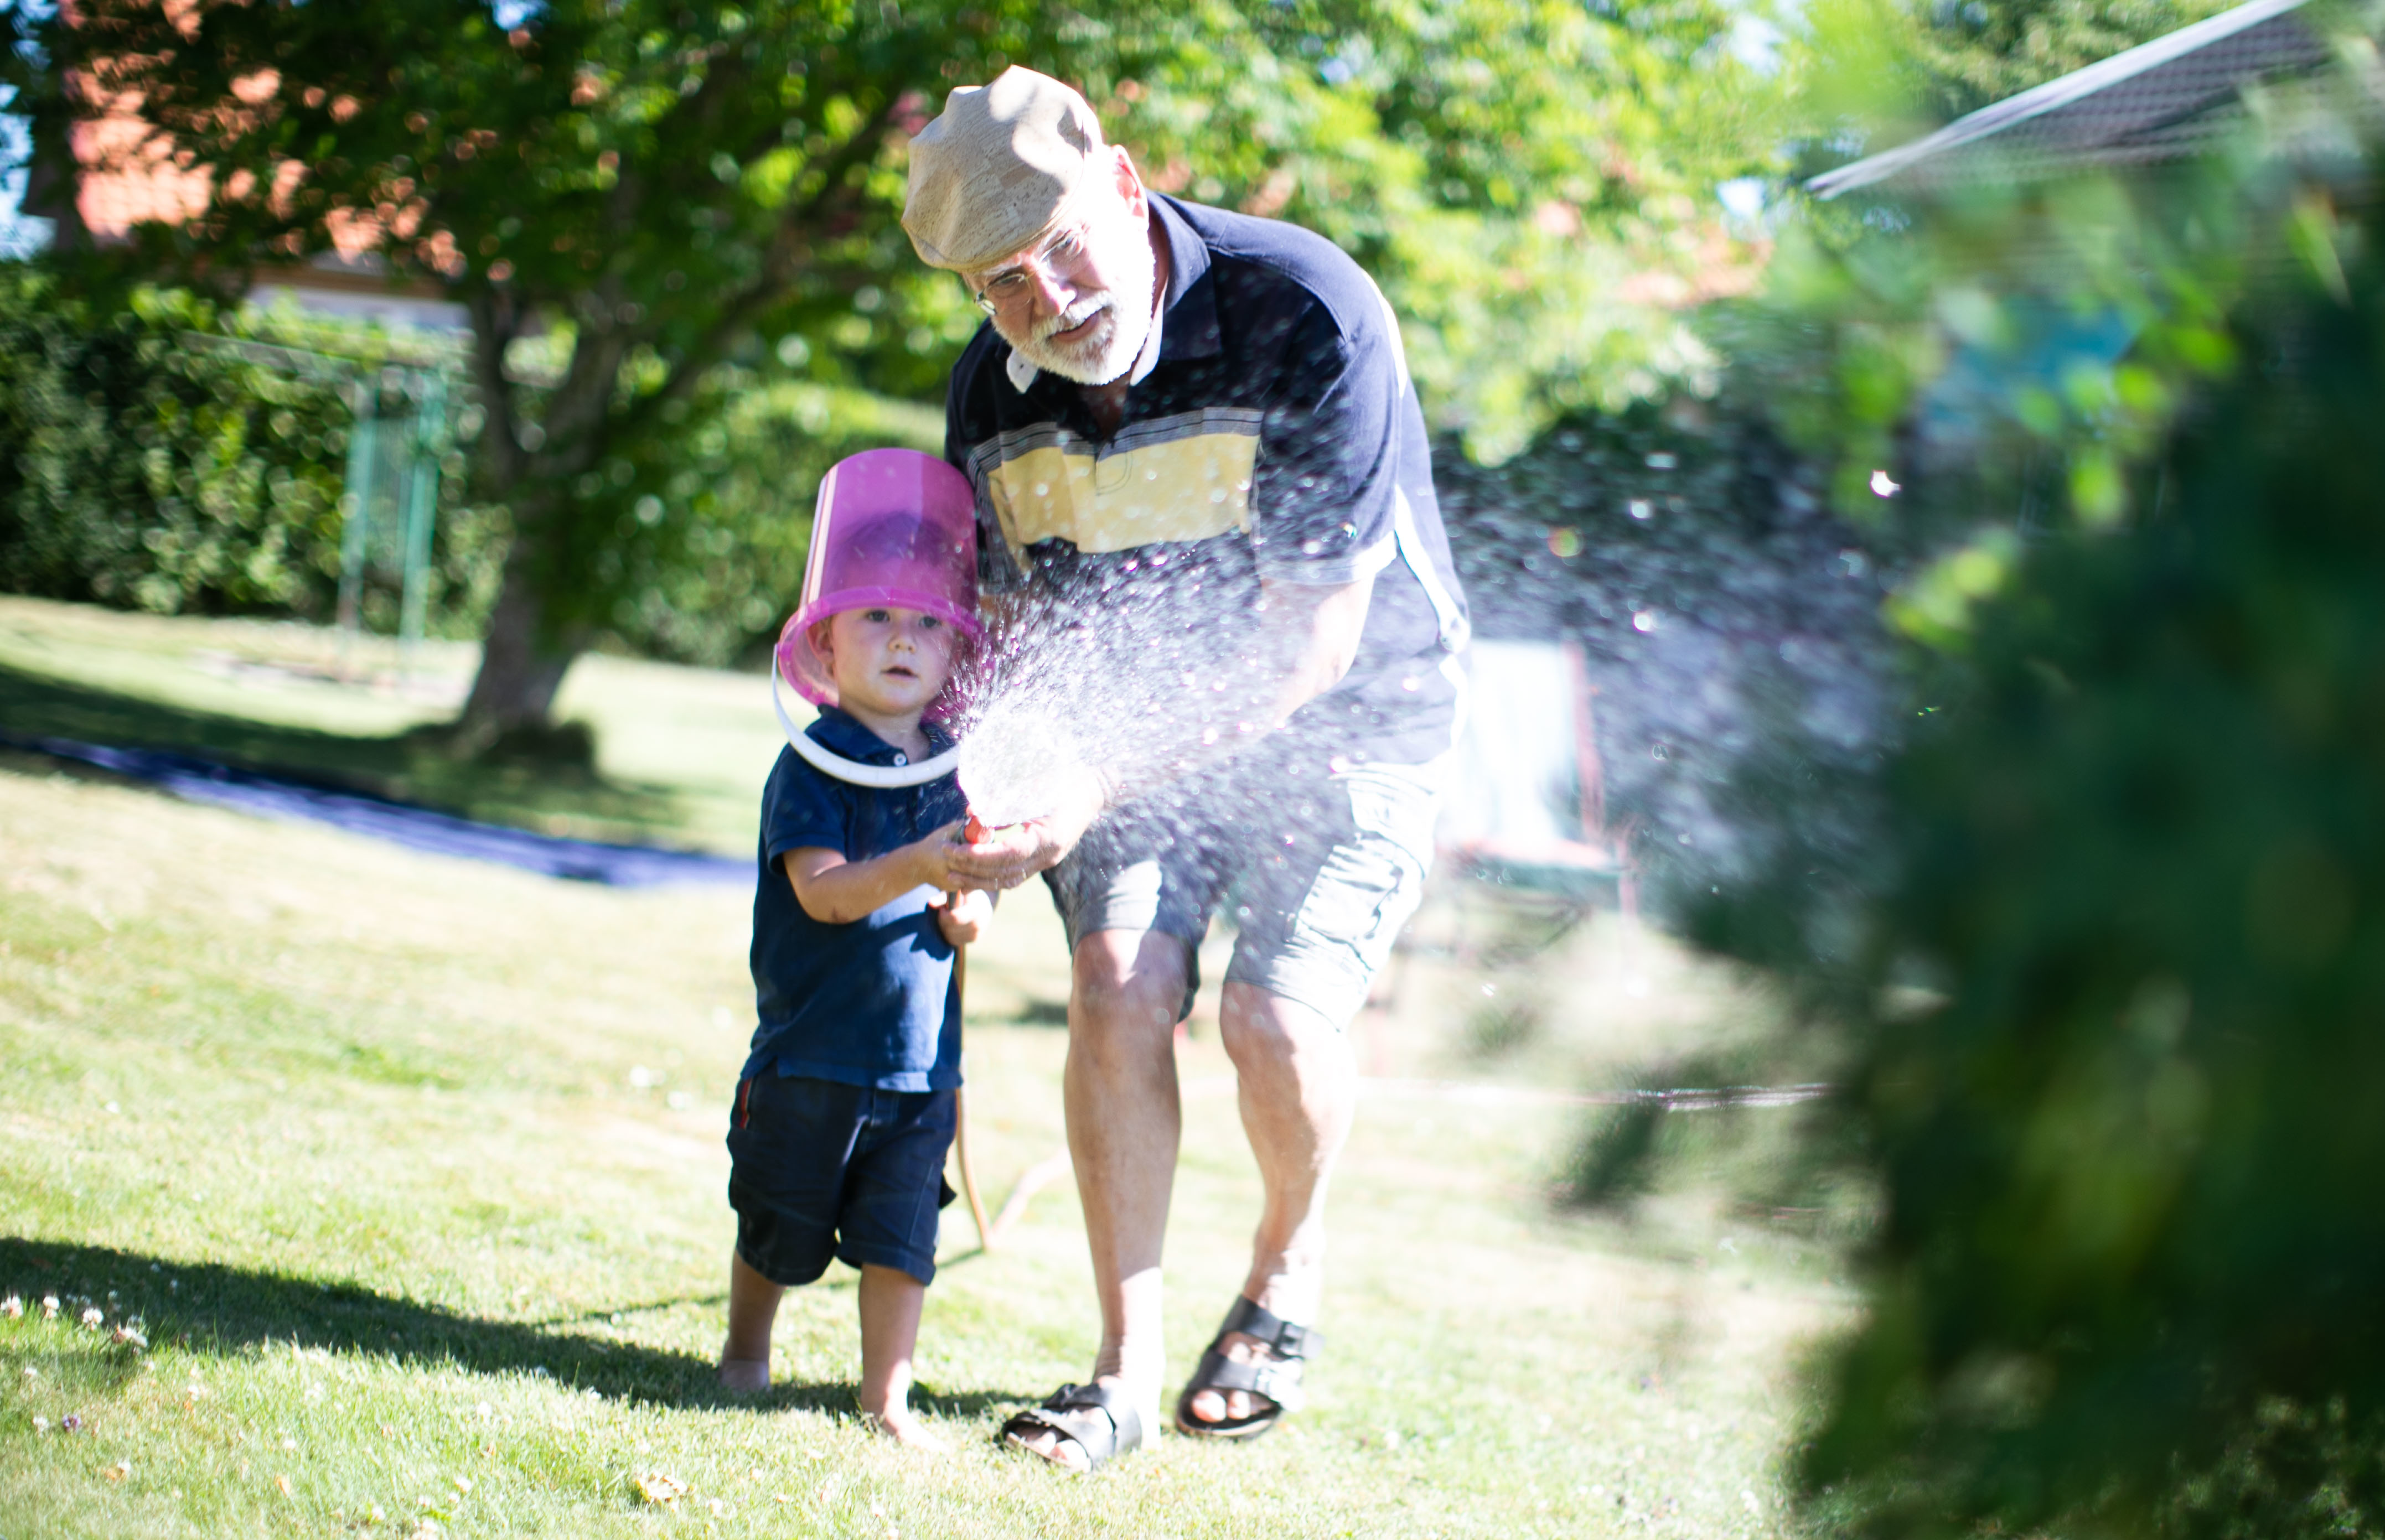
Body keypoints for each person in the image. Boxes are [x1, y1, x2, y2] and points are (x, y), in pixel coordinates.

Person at [903, 68, 1472, 1470]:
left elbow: (1308, 650)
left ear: (1126, 184)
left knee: (1273, 1022)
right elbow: (1032, 637)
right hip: (1132, 736)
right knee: (1117, 986)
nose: (1048, 300)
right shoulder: (992, 398)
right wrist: (983, 797)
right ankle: (1119, 1377)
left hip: (1360, 711)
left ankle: (1285, 1268)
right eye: (1002, 284)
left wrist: (1091, 777)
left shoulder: (1305, 312)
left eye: (1063, 250)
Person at [716, 449, 994, 1451]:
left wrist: (969, 913)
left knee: (902, 1240)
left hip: (919, 1072)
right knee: (780, 1222)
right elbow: (825, 896)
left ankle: (887, 1400)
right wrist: (921, 866)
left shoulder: (955, 777)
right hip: (809, 1057)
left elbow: (967, 906)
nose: (903, 638)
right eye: (876, 616)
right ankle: (748, 1346)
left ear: (956, 655)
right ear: (823, 647)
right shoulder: (815, 765)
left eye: (927, 622)